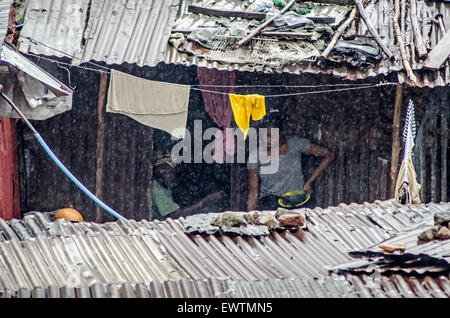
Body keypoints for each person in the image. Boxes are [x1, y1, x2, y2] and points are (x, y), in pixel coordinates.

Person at [247, 111, 335, 211]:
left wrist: (310, 182)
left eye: (271, 136)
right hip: (270, 201)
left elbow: (329, 154)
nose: (267, 140)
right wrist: (249, 217)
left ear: (282, 133)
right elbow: (253, 191)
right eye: (265, 136)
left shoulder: (295, 144)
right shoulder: (255, 155)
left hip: (296, 199)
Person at [151, 152, 224, 220]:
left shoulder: (163, 186)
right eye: (163, 172)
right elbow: (176, 215)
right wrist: (206, 201)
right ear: (155, 172)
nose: (168, 176)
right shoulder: (158, 190)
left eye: (171, 172)